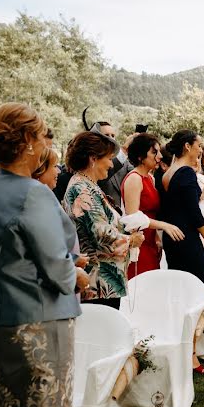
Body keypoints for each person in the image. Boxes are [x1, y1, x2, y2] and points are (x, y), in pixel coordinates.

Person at [0, 103, 84, 407]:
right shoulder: (33, 193)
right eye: (43, 135)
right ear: (28, 142)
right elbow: (58, 269)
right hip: (37, 323)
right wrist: (76, 273)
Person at [64, 132, 143, 309]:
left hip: (104, 282)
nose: (110, 164)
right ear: (93, 159)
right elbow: (99, 233)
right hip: (96, 284)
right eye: (108, 158)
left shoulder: (88, 185)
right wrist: (131, 240)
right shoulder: (81, 189)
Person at [159, 130, 204, 294]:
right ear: (187, 146)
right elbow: (194, 212)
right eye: (199, 146)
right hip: (187, 238)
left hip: (172, 238)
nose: (201, 150)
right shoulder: (186, 173)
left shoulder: (168, 173)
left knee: (182, 290)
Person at [121, 133, 185, 278]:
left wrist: (157, 238)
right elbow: (133, 219)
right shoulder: (134, 179)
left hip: (151, 242)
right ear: (140, 156)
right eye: (154, 152)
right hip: (139, 244)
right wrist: (164, 226)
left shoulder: (150, 178)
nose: (159, 157)